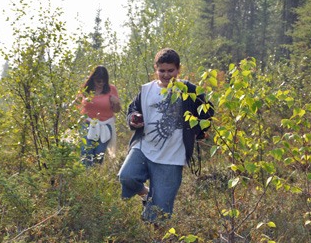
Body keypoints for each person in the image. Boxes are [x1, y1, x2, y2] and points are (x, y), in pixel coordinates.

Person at [118, 48, 214, 223]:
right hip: (144, 147)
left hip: (172, 156)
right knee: (127, 176)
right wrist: (134, 119)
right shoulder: (146, 90)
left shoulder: (189, 89)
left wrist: (196, 132)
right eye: (162, 70)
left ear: (178, 69)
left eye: (171, 70)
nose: (166, 74)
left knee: (159, 213)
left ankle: (155, 235)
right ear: (156, 69)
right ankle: (145, 194)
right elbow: (133, 109)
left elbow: (208, 111)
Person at [79, 65, 121, 166]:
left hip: (105, 126)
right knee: (86, 152)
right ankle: (84, 177)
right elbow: (77, 104)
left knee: (99, 155)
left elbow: (116, 110)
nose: (101, 83)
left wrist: (116, 103)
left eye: (104, 81)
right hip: (87, 124)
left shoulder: (111, 89)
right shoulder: (85, 89)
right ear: (93, 79)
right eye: (98, 81)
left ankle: (95, 178)